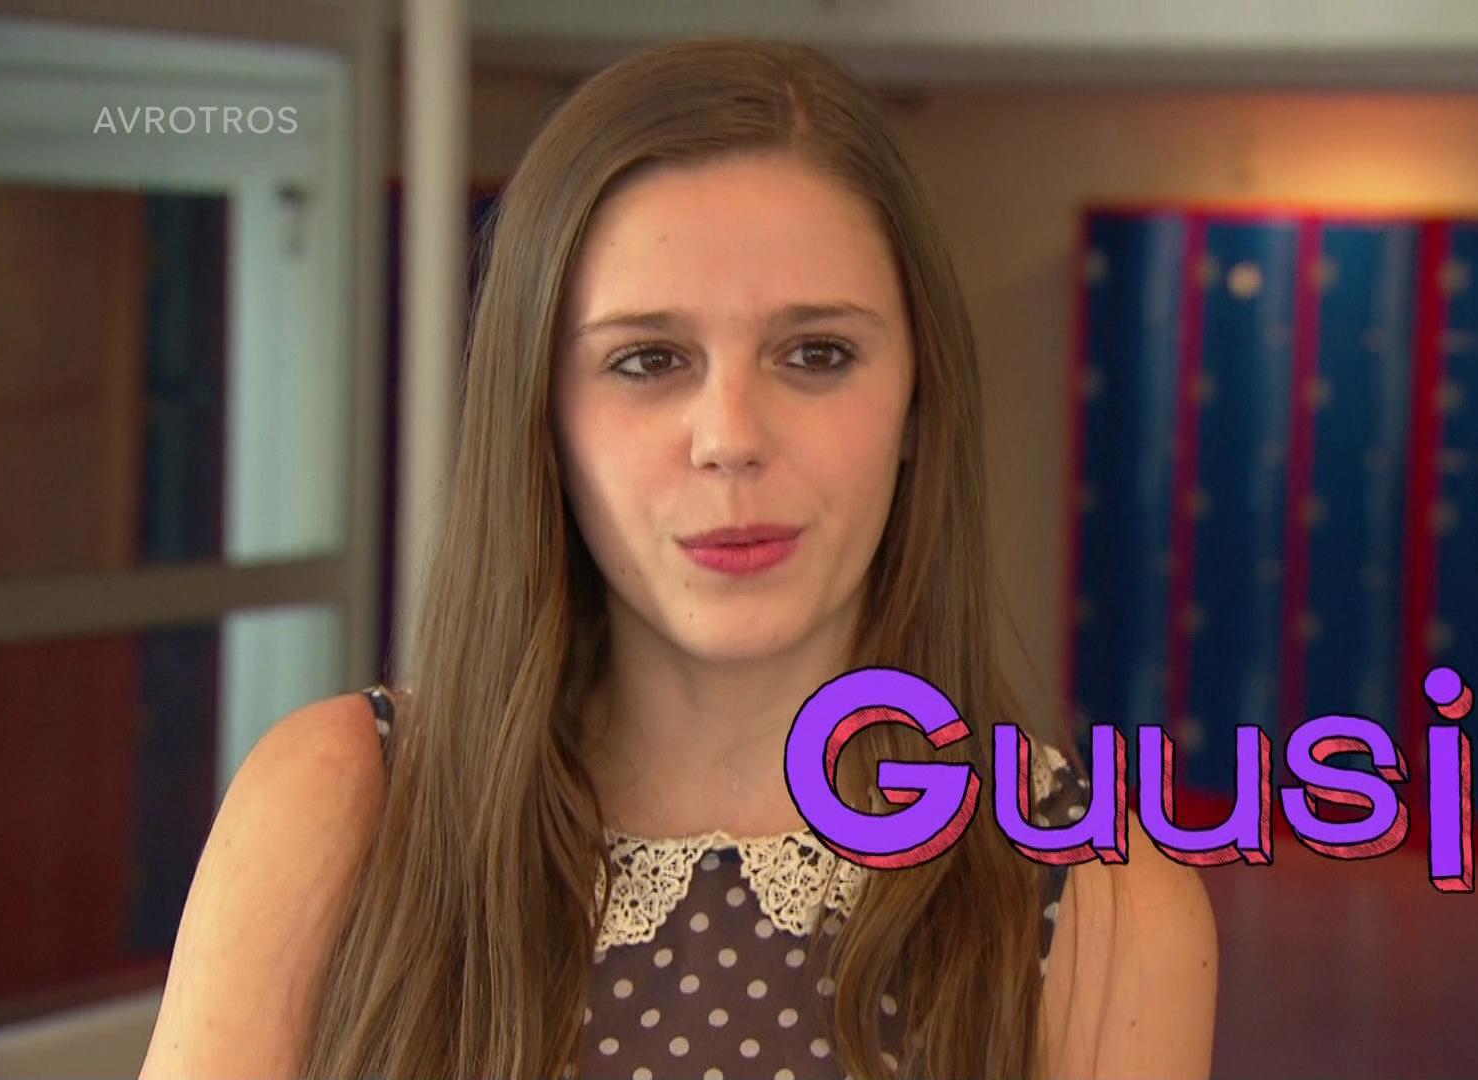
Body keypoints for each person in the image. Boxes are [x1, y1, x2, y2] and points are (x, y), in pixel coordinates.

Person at [139, 36, 1217, 1080]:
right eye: (648, 359)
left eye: (817, 353)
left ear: (916, 402)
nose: (731, 437)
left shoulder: (1098, 889)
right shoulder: (343, 805)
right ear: (540, 413)